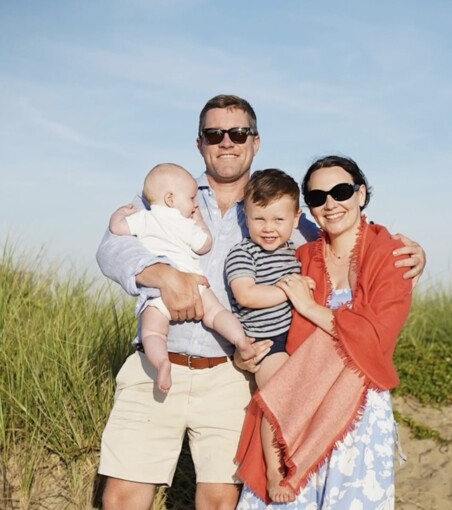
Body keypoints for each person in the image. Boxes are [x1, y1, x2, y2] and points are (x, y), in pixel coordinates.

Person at [96, 94, 426, 510]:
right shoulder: (170, 192)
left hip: (232, 373)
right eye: (215, 134)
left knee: (220, 499)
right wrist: (163, 275)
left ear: (255, 141)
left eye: (239, 133)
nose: (227, 142)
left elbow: (336, 225)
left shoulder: (275, 208)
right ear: (199, 142)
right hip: (156, 359)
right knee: (124, 494)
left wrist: (409, 251)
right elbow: (112, 248)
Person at [235, 155, 413, 509]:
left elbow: (377, 338)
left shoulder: (391, 253)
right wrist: (244, 352)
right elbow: (263, 321)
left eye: (341, 191)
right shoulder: (298, 257)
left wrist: (311, 308)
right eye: (317, 197)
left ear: (361, 195)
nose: (330, 203)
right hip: (301, 404)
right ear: (309, 209)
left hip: (358, 411)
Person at [108, 162, 255, 392]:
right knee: (217, 314)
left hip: (155, 297)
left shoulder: (144, 218)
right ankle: (240, 340)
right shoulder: (185, 223)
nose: (195, 204)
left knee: (153, 332)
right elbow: (205, 244)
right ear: (170, 199)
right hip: (195, 282)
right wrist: (199, 221)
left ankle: (161, 363)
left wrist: (119, 214)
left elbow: (117, 228)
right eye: (190, 199)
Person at [225, 168, 307, 503]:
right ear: (246, 216)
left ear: (296, 218)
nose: (269, 228)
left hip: (295, 338)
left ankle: (299, 461)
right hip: (266, 343)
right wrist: (291, 291)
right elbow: (246, 295)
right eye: (260, 219)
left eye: (278, 219)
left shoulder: (294, 254)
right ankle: (275, 474)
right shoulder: (243, 253)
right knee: (278, 398)